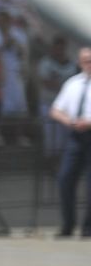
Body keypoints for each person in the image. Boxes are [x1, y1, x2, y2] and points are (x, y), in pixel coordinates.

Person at [49, 45, 91, 238]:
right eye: (85, 60)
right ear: (79, 62)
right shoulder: (73, 83)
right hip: (75, 137)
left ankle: (88, 227)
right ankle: (68, 224)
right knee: (65, 179)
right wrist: (70, 121)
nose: (88, 64)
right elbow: (56, 109)